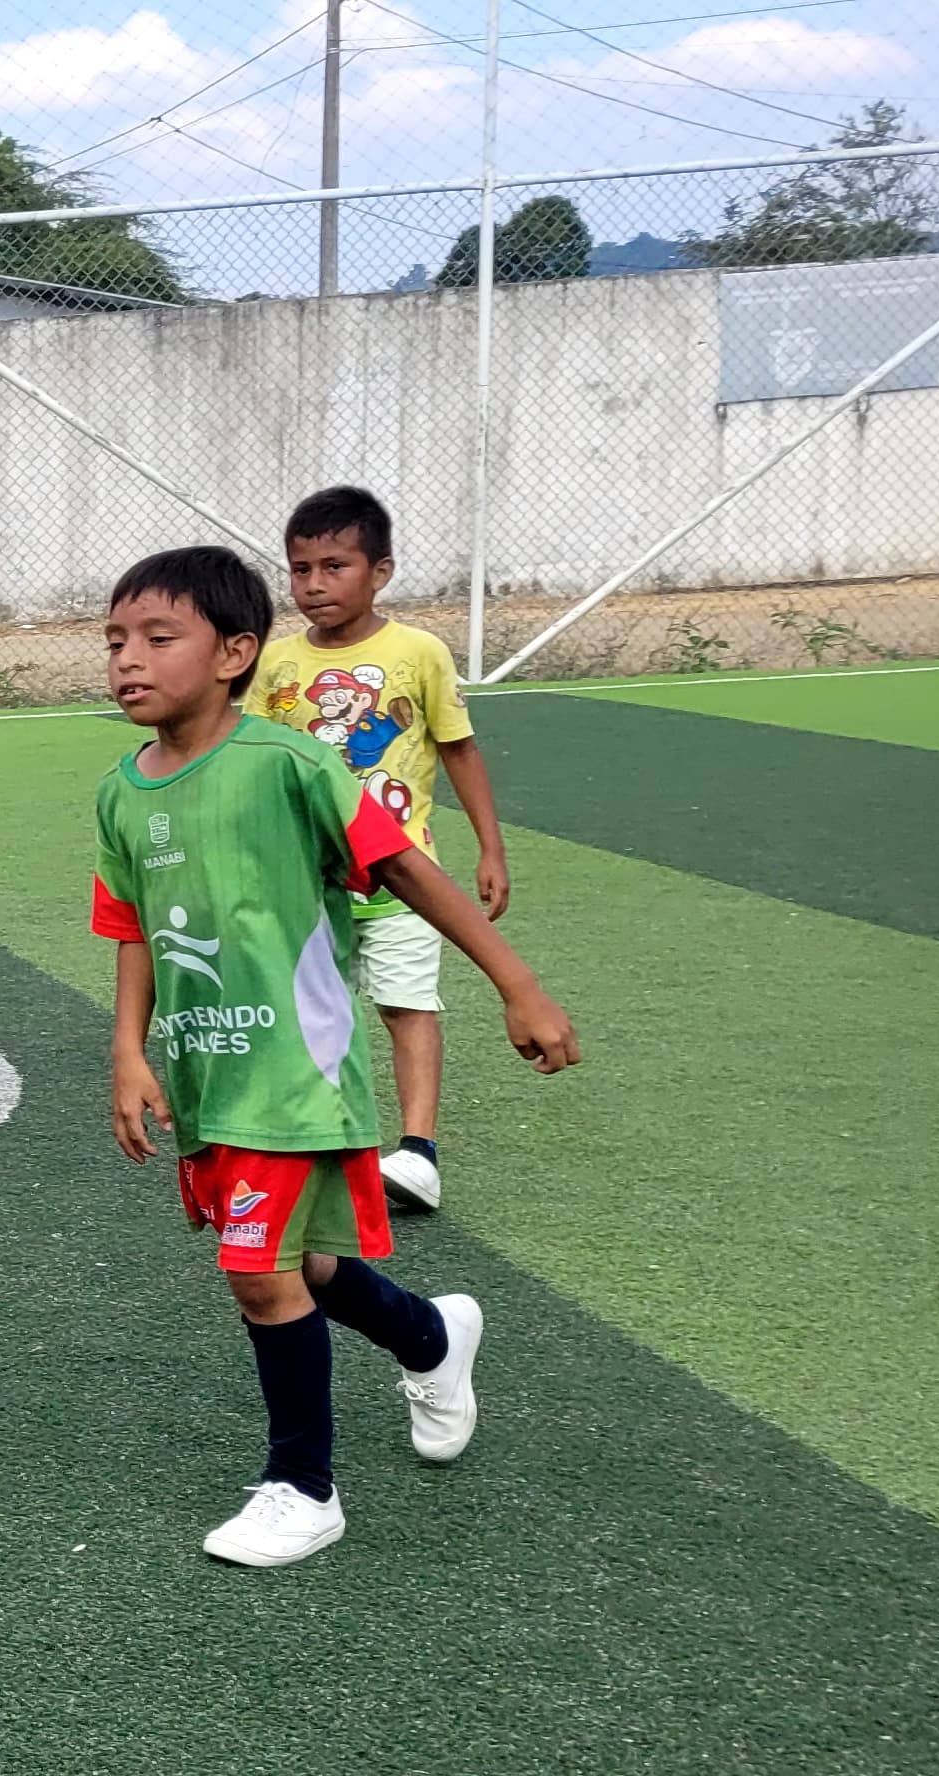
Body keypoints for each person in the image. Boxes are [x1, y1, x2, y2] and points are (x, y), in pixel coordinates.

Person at [92, 547, 578, 1569]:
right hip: (206, 1072)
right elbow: (133, 927)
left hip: (296, 1071)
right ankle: (431, 1338)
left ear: (234, 655)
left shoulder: (289, 764)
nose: (128, 659)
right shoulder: (121, 793)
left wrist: (517, 984)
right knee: (307, 1263)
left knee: (258, 1275)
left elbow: (404, 868)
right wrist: (130, 1050)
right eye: (115, 640)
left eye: (158, 638)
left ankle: (303, 1488)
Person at [249, 484, 502, 1214]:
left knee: (406, 1006)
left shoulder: (418, 653)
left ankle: (418, 1154)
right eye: (301, 570)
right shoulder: (274, 664)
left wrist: (490, 848)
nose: (314, 585)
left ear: (380, 572)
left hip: (402, 879)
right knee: (312, 1013)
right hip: (306, 882)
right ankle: (319, 1142)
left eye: (335, 566)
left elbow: (458, 749)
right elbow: (255, 760)